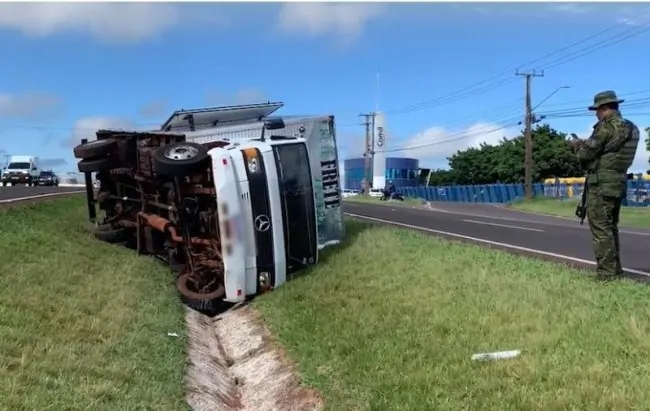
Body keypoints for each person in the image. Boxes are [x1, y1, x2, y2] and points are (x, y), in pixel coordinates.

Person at [571, 90, 640, 281]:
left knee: (601, 230)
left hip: (600, 185)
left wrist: (577, 145)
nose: (596, 114)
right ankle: (615, 270)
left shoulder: (605, 128)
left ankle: (606, 274)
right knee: (611, 228)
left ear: (604, 108)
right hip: (617, 182)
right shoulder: (631, 128)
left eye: (597, 110)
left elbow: (586, 154)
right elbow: (610, 149)